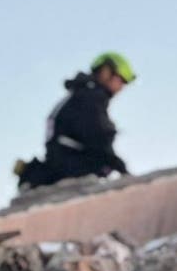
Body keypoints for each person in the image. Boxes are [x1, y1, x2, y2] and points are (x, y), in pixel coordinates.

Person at [16, 52, 136, 190]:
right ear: (106, 72)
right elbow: (99, 136)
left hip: (58, 159)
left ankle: (37, 178)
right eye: (121, 80)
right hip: (70, 164)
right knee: (105, 165)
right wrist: (123, 171)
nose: (121, 87)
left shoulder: (80, 94)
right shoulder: (91, 97)